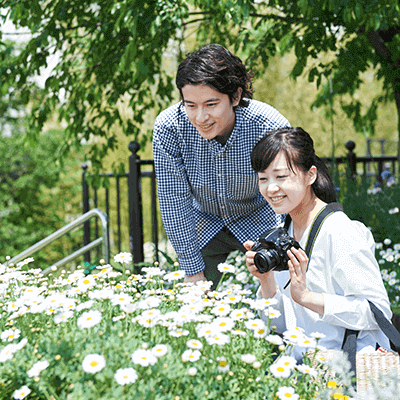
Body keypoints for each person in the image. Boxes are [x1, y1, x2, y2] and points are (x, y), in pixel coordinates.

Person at [244, 126, 391, 360]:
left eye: (281, 176)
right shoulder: (285, 233)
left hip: (346, 373)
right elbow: (279, 328)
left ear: (310, 175)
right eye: (263, 179)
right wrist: (266, 281)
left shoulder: (339, 231)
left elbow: (378, 312)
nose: (271, 188)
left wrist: (307, 297)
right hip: (303, 370)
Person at [153, 44, 290, 288]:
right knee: (194, 302)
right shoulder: (169, 128)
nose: (200, 117)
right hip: (203, 220)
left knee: (283, 296)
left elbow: (289, 189)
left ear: (235, 96)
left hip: (260, 215)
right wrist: (192, 271)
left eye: (211, 104)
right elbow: (173, 200)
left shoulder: (268, 125)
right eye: (190, 105)